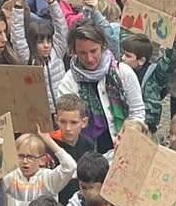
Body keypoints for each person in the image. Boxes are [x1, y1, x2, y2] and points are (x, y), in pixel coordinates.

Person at [55, 24, 144, 155]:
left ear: (102, 46)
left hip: (124, 148)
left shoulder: (123, 73)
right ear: (74, 52)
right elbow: (67, 122)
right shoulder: (68, 82)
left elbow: (137, 112)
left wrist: (127, 138)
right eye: (82, 53)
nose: (89, 58)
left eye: (93, 51)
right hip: (87, 153)